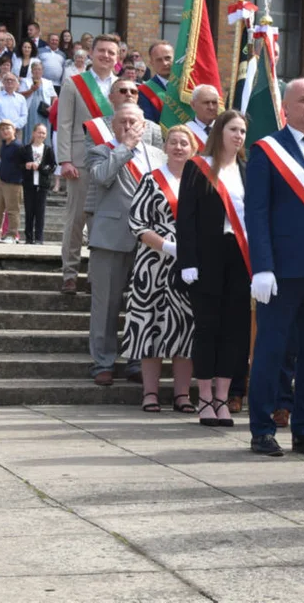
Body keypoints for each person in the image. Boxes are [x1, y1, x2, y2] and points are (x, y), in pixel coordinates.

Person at [246, 79, 304, 457]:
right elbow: (257, 212)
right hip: (281, 271)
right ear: (287, 106)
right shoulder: (268, 150)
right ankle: (263, 429)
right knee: (271, 350)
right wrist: (262, 266)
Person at [177, 110, 251, 426]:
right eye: (234, 129)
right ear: (220, 131)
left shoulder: (248, 170)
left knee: (234, 329)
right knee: (208, 328)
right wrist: (187, 261)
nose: (239, 136)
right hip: (207, 257)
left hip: (240, 255)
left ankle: (223, 397)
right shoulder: (198, 168)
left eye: (244, 131)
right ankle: (205, 397)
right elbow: (186, 220)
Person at [122, 124, 197, 412]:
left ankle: (181, 395)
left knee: (185, 329)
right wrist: (167, 246)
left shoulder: (199, 181)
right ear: (165, 147)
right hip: (152, 265)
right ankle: (150, 393)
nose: (178, 147)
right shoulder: (151, 180)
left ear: (193, 149)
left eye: (184, 143)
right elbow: (137, 224)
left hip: (188, 269)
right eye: (174, 142)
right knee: (148, 327)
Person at [84, 105, 162, 384]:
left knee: (143, 305)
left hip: (149, 242)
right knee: (106, 305)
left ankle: (137, 360)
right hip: (110, 238)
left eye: (135, 122)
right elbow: (102, 177)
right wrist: (125, 147)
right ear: (114, 125)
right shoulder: (101, 151)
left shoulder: (157, 156)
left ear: (145, 126)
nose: (129, 126)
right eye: (123, 122)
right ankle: (102, 362)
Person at [58, 34, 121, 295]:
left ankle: (96, 276)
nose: (106, 56)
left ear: (118, 58)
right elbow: (63, 123)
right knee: (76, 220)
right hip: (80, 161)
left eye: (112, 52)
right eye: (102, 51)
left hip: (112, 161)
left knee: (103, 222)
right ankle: (70, 273)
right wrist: (64, 159)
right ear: (91, 54)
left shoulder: (123, 86)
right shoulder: (74, 84)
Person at [19, 123, 56, 244]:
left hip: (42, 185)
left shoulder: (48, 149)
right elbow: (19, 165)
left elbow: (52, 166)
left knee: (40, 212)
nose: (41, 135)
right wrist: (26, 166)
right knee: (29, 211)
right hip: (29, 184)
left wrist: (39, 167)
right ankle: (29, 238)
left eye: (43, 133)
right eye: (39, 132)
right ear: (34, 133)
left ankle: (39, 238)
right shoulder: (25, 149)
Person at [19, 60, 57, 142]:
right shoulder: (25, 81)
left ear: (42, 71)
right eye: (35, 69)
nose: (37, 71)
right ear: (32, 71)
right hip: (30, 109)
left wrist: (52, 107)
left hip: (44, 110)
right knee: (31, 128)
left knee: (43, 129)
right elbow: (21, 95)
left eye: (39, 69)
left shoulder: (48, 82)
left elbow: (54, 97)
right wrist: (31, 90)